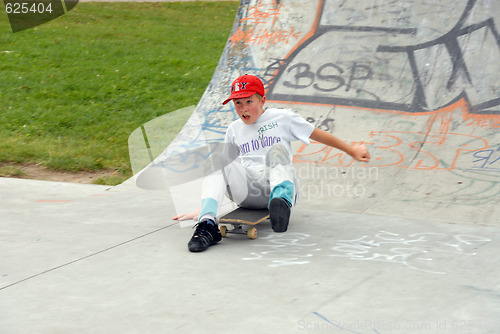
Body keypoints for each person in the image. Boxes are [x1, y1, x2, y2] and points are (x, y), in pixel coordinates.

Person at [173, 74, 370, 252]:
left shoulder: (283, 118)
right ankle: (207, 225)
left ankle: (281, 205)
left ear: (262, 100)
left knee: (277, 149)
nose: (243, 109)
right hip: (247, 192)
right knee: (218, 157)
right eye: (238, 104)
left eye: (249, 102)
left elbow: (318, 134)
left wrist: (352, 150)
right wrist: (207, 205)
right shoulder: (234, 129)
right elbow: (222, 173)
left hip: (276, 185)